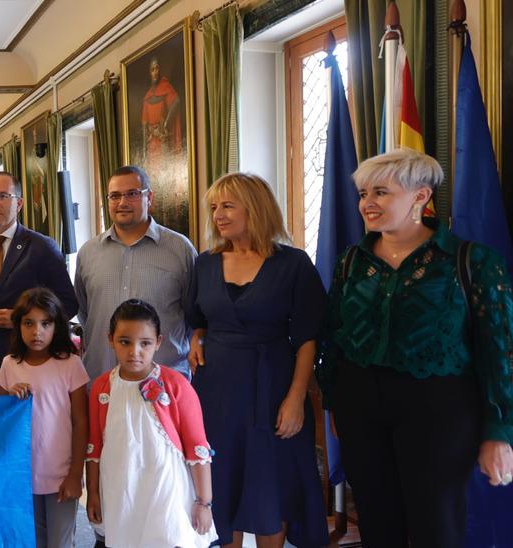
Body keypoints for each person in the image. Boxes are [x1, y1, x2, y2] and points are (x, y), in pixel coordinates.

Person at [317, 149, 513, 547]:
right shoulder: (350, 263)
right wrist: (335, 400)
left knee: (436, 525)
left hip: (440, 410)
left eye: (381, 193)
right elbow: (334, 335)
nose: (367, 204)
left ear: (420, 197)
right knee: (375, 519)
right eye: (363, 193)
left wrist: (499, 431)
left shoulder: (471, 261)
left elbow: (500, 351)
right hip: (360, 407)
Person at [185, 173, 327, 548]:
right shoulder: (205, 264)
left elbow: (309, 337)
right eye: (214, 207)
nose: (218, 214)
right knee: (221, 481)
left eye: (228, 205)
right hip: (215, 392)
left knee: (271, 484)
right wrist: (197, 337)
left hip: (273, 386)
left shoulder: (293, 264)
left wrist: (297, 399)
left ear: (256, 208)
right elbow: (197, 320)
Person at [85, 299, 215, 548]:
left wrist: (204, 502)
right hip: (121, 489)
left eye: (144, 343)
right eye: (125, 342)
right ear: (110, 339)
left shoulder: (176, 385)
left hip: (165, 490)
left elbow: (198, 449)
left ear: (158, 342)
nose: (135, 351)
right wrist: (93, 493)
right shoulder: (101, 387)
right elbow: (94, 448)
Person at [0, 172, 77, 395]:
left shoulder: (42, 247)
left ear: (19, 203)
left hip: (27, 356)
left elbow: (67, 303)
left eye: (2, 196)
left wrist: (22, 319)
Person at [74, 165, 197, 380]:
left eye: (131, 194)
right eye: (115, 196)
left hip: (163, 383)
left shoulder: (180, 249)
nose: (122, 202)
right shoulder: (88, 253)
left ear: (149, 198)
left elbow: (193, 314)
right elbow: (85, 314)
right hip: (102, 381)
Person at [0, 288, 88, 548]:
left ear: (57, 326)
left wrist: (74, 474)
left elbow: (81, 422)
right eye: (29, 323)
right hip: (22, 474)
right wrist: (10, 398)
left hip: (60, 475)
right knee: (29, 541)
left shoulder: (71, 365)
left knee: (60, 542)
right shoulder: (9, 365)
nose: (37, 332)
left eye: (45, 323)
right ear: (18, 326)